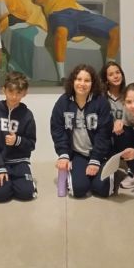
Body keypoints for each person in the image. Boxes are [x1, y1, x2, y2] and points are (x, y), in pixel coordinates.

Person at [34, 0, 120, 81]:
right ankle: (62, 77)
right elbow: (38, 1)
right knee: (61, 33)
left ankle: (109, 71)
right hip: (60, 15)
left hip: (79, 14)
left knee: (116, 30)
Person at [51, 64, 113, 198]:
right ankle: (80, 174)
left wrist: (95, 159)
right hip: (78, 154)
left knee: (102, 189)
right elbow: (57, 129)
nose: (82, 84)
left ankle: (110, 171)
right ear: (72, 81)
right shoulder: (63, 101)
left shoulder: (101, 102)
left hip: (100, 154)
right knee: (78, 190)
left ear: (93, 83)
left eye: (87, 80)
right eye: (79, 79)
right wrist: (63, 154)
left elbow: (104, 133)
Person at [0, 71, 37, 202]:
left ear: (25, 93)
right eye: (10, 92)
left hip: (20, 161)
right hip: (0, 161)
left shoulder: (27, 115)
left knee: (26, 194)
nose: (14, 96)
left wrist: (17, 140)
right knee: (1, 195)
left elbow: (31, 144)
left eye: (18, 93)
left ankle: (23, 180)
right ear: (4, 90)